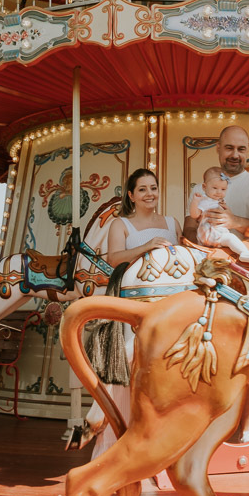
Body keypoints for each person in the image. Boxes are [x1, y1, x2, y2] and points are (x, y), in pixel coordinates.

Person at [87, 168, 182, 459]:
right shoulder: (122, 225)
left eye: (153, 188)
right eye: (142, 189)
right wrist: (145, 247)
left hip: (170, 302)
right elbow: (114, 258)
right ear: (131, 195)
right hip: (135, 300)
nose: (149, 194)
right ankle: (120, 429)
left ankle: (168, 439)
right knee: (131, 359)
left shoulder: (171, 222)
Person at [183, 125, 249, 443]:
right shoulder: (203, 185)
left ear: (248, 150)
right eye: (229, 148)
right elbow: (190, 224)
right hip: (214, 266)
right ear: (218, 149)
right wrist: (201, 243)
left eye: (241, 149)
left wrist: (234, 224)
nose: (235, 155)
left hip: (248, 268)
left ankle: (247, 425)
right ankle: (204, 417)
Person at [190, 167, 249, 265]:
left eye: (223, 189)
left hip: (215, 232)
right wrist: (195, 202)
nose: (219, 192)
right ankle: (245, 253)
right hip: (211, 233)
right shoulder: (205, 201)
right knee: (230, 238)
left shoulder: (218, 201)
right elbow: (195, 215)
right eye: (214, 188)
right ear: (204, 187)